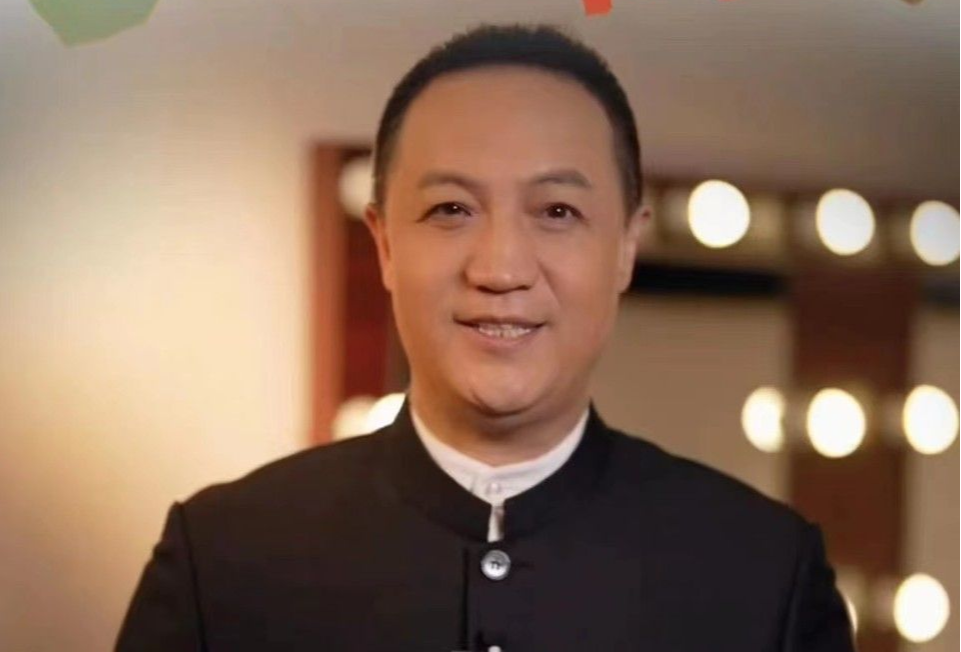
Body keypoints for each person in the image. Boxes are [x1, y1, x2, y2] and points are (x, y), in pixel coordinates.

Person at [116, 24, 855, 652]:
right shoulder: (221, 559)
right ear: (383, 245)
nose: (500, 269)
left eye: (557, 212)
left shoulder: (765, 574)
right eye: (450, 210)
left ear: (626, 248)